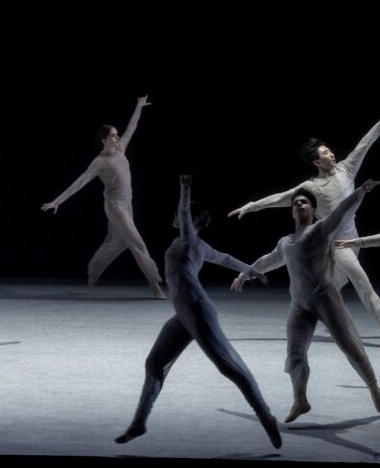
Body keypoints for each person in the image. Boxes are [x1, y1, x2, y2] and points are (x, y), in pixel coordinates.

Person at [116, 176, 280, 448]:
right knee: (154, 365)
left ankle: (266, 416)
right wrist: (252, 271)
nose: (175, 215)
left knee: (232, 369)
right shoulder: (198, 246)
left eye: (182, 215)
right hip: (183, 315)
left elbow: (184, 214)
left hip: (199, 312)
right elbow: (226, 258)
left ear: (191, 221)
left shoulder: (190, 239)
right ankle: (139, 422)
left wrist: (185, 189)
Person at [231, 181, 380, 422]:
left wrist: (361, 192)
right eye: (296, 203)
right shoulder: (285, 242)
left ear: (313, 209)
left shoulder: (321, 230)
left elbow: (342, 210)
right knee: (295, 354)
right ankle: (300, 399)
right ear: (292, 211)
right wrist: (244, 274)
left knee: (350, 348)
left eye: (304, 202)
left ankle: (374, 388)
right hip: (300, 304)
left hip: (326, 299)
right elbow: (267, 260)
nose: (299, 204)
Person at [229, 120, 380, 322]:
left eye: (330, 150)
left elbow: (366, 142)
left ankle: (309, 312)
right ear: (317, 162)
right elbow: (280, 197)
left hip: (354, 241)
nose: (331, 154)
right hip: (336, 246)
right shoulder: (311, 187)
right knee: (363, 284)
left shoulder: (347, 169)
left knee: (329, 287)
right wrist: (252, 205)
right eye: (325, 153)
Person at [41, 96, 165, 298]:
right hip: (115, 205)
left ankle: (92, 274)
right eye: (114, 136)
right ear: (104, 140)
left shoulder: (121, 148)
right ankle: (155, 284)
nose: (117, 138)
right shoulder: (100, 162)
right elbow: (80, 182)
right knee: (136, 243)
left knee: (117, 243)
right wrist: (57, 201)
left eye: (117, 135)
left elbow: (132, 127)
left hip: (127, 203)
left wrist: (138, 106)